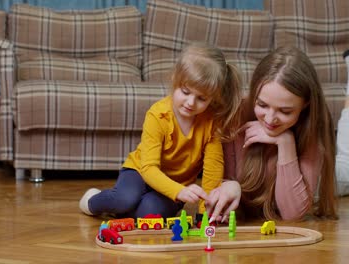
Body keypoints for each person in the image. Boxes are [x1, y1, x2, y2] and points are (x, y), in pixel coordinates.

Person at [205, 46, 349, 222]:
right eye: (262, 105)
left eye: (285, 111)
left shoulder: (310, 125)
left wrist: (286, 142)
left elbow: (293, 213)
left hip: (311, 182)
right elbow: (219, 181)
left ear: (305, 105)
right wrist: (229, 185)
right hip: (273, 189)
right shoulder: (234, 117)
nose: (269, 119)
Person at [79, 42, 243, 219]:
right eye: (185, 92)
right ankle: (92, 201)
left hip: (173, 186)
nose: (190, 103)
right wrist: (179, 191)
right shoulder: (158, 114)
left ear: (213, 97)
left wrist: (206, 214)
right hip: (140, 172)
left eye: (201, 98)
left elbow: (213, 170)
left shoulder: (211, 123)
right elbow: (149, 168)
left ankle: (126, 210)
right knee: (124, 199)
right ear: (175, 79)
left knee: (149, 213)